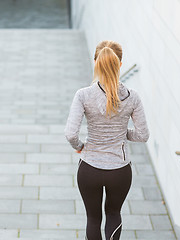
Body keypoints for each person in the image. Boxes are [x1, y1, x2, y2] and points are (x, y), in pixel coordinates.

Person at [65, 40, 149, 240]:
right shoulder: (133, 97)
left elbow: (70, 134)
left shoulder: (83, 95)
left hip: (89, 168)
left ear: (96, 62)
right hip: (120, 171)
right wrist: (121, 133)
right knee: (113, 213)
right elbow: (143, 135)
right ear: (120, 64)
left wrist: (79, 147)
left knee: (93, 219)